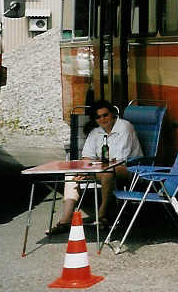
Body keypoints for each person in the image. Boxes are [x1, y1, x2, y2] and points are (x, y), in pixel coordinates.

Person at [47, 100, 142, 234]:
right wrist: (85, 171)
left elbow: (119, 159)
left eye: (105, 115)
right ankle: (65, 220)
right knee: (71, 174)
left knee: (108, 172)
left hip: (130, 169)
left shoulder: (124, 127)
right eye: (98, 117)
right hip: (103, 169)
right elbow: (87, 157)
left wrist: (92, 168)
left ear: (112, 114)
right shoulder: (96, 132)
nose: (102, 119)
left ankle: (101, 215)